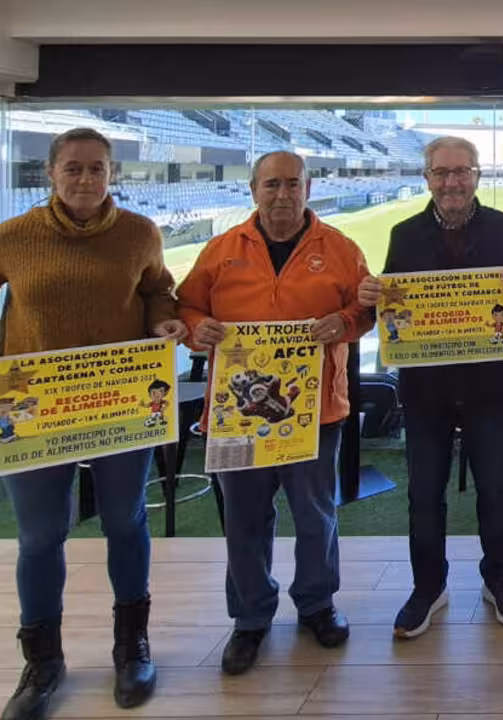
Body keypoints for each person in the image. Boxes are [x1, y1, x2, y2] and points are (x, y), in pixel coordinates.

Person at [0, 127, 187, 719]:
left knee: (124, 521)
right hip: (36, 408)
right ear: (50, 173)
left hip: (120, 400)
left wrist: (162, 322)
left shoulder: (139, 233)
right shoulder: (13, 236)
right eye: (74, 168)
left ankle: (132, 648)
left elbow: (159, 292)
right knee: (39, 535)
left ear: (113, 174)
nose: (85, 179)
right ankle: (43, 661)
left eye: (97, 168)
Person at [176, 151, 374, 675]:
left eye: (292, 184)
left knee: (316, 515)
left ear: (308, 188)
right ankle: (250, 617)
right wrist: (197, 328)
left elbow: (366, 309)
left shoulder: (341, 248)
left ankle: (317, 604)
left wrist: (345, 322)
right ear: (253, 189)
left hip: (316, 411)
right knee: (244, 519)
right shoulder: (222, 249)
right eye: (272, 185)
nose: (282, 194)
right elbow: (186, 306)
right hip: (236, 417)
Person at [357, 137, 503, 636]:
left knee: (495, 489)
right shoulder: (403, 234)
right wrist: (373, 296)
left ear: (477, 175)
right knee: (423, 493)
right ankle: (428, 587)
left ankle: (499, 577)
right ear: (427, 178)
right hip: (426, 388)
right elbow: (394, 309)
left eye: (462, 171)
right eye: (441, 172)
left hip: (488, 384)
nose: (452, 181)